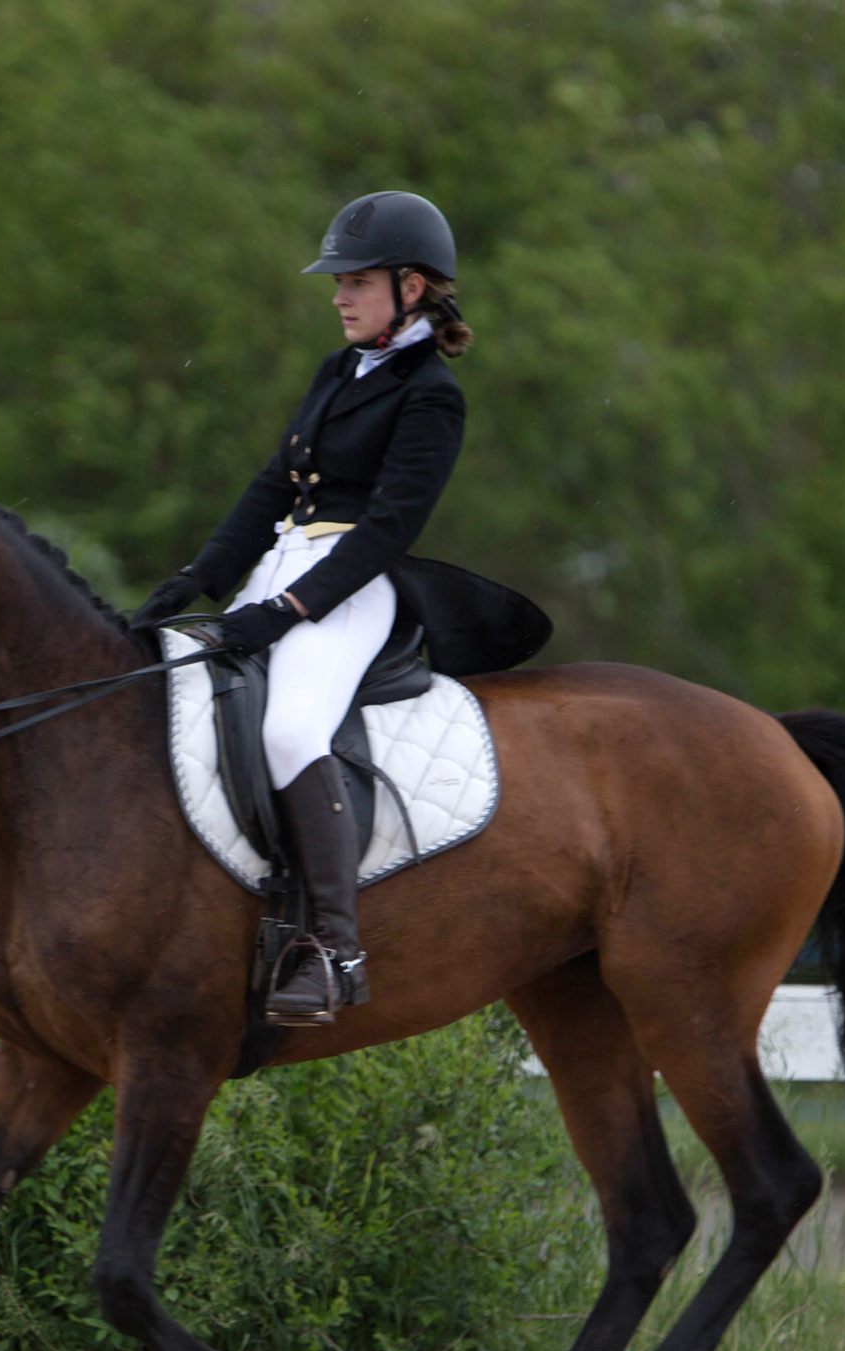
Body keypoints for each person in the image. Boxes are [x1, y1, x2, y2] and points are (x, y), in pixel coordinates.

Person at [132, 190, 548, 1026]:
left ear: (413, 286)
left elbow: (388, 529)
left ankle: (331, 945)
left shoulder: (432, 394)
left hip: (351, 586)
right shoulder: (336, 371)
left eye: (356, 281)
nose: (338, 295)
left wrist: (283, 610)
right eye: (340, 281)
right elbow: (272, 486)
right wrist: (200, 577)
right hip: (286, 564)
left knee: (290, 730)